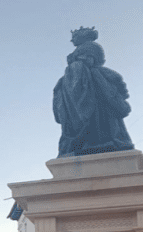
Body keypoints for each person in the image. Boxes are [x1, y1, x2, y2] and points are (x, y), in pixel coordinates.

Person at [53, 27, 134, 158]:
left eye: (74, 37)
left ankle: (99, 142)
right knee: (92, 115)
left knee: (99, 114)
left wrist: (76, 65)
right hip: (82, 82)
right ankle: (91, 142)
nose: (72, 40)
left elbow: (88, 62)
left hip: (91, 84)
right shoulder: (86, 50)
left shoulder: (89, 47)